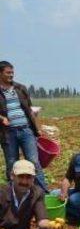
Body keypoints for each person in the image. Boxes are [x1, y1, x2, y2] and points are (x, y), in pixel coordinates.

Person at [0, 61, 48, 192]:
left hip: (26, 130)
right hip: (8, 133)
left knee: (34, 162)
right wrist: (2, 118)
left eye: (12, 72)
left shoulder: (20, 88)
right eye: (8, 73)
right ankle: (12, 194)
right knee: (12, 164)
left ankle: (42, 193)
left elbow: (30, 110)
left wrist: (37, 129)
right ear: (0, 73)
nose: (11, 75)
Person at [0, 160, 53, 229]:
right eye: (21, 177)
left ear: (33, 178)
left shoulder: (37, 193)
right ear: (12, 176)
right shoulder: (2, 193)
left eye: (28, 177)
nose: (24, 181)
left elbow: (42, 219)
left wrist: (49, 224)